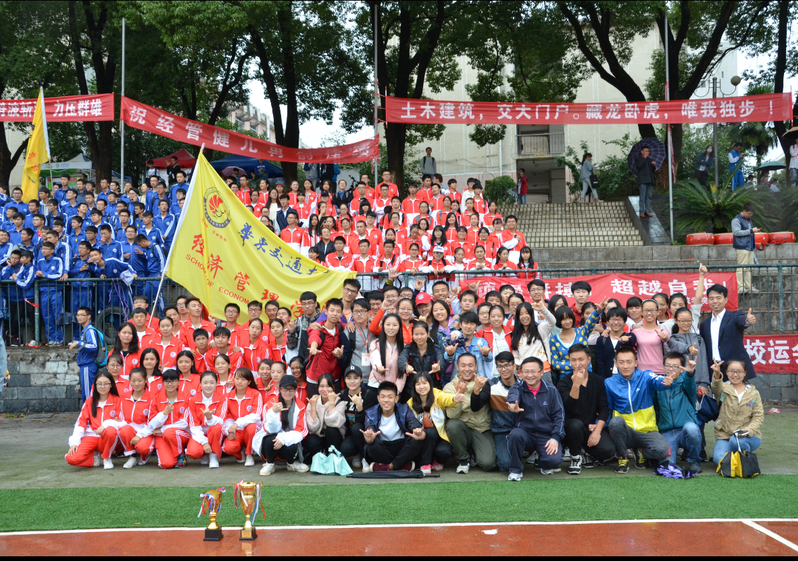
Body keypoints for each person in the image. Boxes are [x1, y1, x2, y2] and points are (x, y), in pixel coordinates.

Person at [604, 347, 674, 473]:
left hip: (647, 431)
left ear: (636, 363)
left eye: (629, 362)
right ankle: (622, 456)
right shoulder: (609, 382)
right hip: (626, 431)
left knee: (663, 451)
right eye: (621, 362)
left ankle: (640, 451)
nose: (625, 366)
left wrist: (666, 381)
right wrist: (599, 426)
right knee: (615, 422)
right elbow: (608, 408)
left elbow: (657, 381)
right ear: (616, 364)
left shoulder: (646, 376)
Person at [556, 344, 615, 474]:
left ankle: (586, 452)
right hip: (570, 428)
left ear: (588, 360)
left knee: (608, 450)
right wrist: (576, 385)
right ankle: (575, 457)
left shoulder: (598, 380)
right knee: (575, 425)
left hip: (590, 427)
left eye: (581, 359)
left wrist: (597, 430)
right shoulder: (563, 383)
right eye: (573, 360)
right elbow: (568, 408)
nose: (577, 363)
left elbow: (604, 408)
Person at [506, 357, 565, 481]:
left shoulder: (551, 390)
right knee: (515, 435)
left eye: (533, 371)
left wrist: (555, 437)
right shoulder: (517, 388)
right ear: (521, 373)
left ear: (542, 372)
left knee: (554, 461)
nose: (530, 375)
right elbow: (513, 397)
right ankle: (515, 470)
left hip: (545, 434)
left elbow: (559, 416)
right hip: (525, 432)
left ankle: (542, 462)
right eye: (526, 371)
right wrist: (512, 406)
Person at [442, 353, 495, 473]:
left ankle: (474, 453)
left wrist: (477, 389)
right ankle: (464, 459)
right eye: (463, 365)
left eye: (470, 365)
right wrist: (459, 396)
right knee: (452, 425)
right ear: (457, 367)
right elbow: (452, 416)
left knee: (488, 464)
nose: (467, 369)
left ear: (476, 367)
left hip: (482, 429)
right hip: (463, 428)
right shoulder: (450, 387)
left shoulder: (484, 383)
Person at [362, 380, 426, 472]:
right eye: (383, 397)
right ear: (378, 398)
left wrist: (417, 430)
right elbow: (369, 426)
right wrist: (369, 436)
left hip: (401, 446)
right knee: (372, 445)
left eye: (390, 397)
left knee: (416, 441)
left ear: (396, 399)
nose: (386, 400)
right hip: (383, 447)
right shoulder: (370, 412)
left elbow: (413, 422)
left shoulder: (404, 409)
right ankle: (401, 465)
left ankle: (387, 467)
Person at [655, 352, 703, 474]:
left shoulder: (685, 383)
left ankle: (694, 460)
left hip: (685, 429)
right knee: (667, 466)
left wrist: (690, 372)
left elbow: (689, 381)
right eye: (668, 365)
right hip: (667, 431)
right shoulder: (658, 384)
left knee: (692, 429)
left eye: (675, 366)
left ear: (681, 369)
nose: (670, 369)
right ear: (663, 367)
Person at [65, 371, 124, 469]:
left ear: (111, 385)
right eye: (99, 384)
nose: (102, 386)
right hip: (91, 436)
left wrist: (106, 424)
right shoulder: (89, 402)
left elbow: (123, 423)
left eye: (106, 384)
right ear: (95, 385)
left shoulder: (117, 401)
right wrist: (74, 443)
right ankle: (94, 457)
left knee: (111, 431)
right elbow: (80, 423)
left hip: (107, 438)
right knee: (71, 458)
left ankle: (106, 457)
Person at [709, 359, 763, 464]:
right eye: (731, 371)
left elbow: (758, 416)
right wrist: (717, 373)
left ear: (745, 373)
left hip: (748, 436)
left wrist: (748, 430)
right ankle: (735, 459)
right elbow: (715, 386)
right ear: (726, 372)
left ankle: (744, 459)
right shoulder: (723, 389)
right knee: (719, 459)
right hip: (725, 436)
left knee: (736, 441)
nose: (735, 375)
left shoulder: (753, 392)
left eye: (739, 371)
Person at [698, 284, 757, 381]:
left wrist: (748, 320)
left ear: (725, 299)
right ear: (708, 300)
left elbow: (742, 321)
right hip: (715, 368)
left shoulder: (734, 316)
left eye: (718, 298)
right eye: (711, 298)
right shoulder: (705, 324)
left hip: (735, 367)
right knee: (717, 391)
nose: (715, 301)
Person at [255, 374, 310, 475]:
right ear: (280, 389)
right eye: (285, 389)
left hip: (288, 440)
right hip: (273, 439)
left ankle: (291, 464)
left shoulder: (301, 406)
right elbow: (269, 430)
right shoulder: (270, 404)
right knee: (270, 440)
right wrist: (274, 412)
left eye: (291, 389)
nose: (288, 392)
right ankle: (269, 463)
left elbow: (302, 430)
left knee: (292, 446)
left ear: (296, 390)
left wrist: (283, 439)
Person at [406, 372, 459, 474]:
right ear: (414, 387)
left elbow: (446, 398)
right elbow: (410, 421)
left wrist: (454, 399)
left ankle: (436, 461)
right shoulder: (410, 403)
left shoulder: (437, 395)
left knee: (444, 451)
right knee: (429, 432)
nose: (422, 387)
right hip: (422, 438)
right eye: (418, 384)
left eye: (424, 383)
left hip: (439, 436)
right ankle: (425, 463)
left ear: (430, 384)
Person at [338, 365, 377, 469]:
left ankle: (364, 457)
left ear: (361, 379)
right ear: (345, 379)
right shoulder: (342, 395)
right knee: (345, 448)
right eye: (349, 378)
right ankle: (356, 454)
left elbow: (367, 420)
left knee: (357, 427)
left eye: (356, 378)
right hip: (350, 433)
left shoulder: (368, 395)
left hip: (365, 431)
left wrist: (359, 406)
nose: (352, 381)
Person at [304, 373, 347, 458]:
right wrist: (313, 407)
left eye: (328, 386)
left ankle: (334, 456)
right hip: (319, 436)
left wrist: (331, 402)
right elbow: (312, 428)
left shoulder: (340, 402)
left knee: (331, 430)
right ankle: (321, 457)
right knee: (311, 440)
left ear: (333, 387)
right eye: (322, 386)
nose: (325, 389)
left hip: (335, 438)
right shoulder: (313, 401)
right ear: (318, 387)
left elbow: (332, 423)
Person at [69, 307, 100, 401]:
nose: (79, 317)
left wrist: (78, 343)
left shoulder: (90, 330)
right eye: (78, 315)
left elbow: (94, 346)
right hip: (85, 365)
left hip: (88, 365)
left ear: (89, 316)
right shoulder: (85, 330)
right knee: (86, 392)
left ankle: (88, 410)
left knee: (88, 394)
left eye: (82, 315)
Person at [731, 202, 759, 294]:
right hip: (741, 246)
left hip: (749, 246)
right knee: (741, 266)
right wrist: (751, 230)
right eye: (749, 213)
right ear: (744, 211)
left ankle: (748, 286)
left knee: (749, 267)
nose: (750, 215)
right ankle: (740, 286)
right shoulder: (736, 220)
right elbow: (736, 232)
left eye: (751, 214)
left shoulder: (748, 220)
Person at [634, 146, 656, 218]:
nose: (647, 152)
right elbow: (639, 166)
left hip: (650, 180)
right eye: (646, 151)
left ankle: (647, 210)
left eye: (648, 151)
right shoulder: (638, 159)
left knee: (649, 196)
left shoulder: (649, 160)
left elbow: (652, 170)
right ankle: (642, 211)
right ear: (642, 152)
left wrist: (653, 165)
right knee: (642, 196)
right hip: (643, 180)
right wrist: (644, 158)